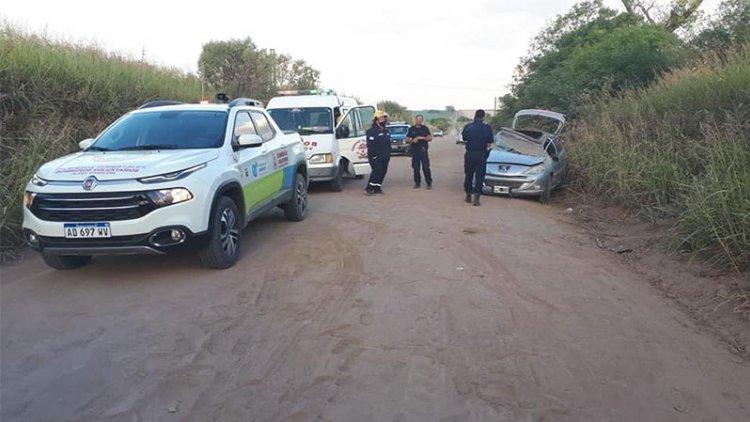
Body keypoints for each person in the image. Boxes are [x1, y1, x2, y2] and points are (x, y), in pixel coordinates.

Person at [461, 109, 494, 206]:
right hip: (481, 155)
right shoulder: (487, 128)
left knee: (468, 176)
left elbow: (464, 138)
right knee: (479, 177)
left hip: (470, 154)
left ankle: (468, 196)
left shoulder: (468, 127)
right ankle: (476, 199)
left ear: (475, 116)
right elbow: (489, 142)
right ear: (483, 117)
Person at [365, 110, 392, 195]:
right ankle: (369, 189)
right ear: (377, 120)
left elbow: (388, 143)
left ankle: (377, 188)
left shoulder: (386, 131)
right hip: (376, 156)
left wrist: (389, 153)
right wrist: (374, 156)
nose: (384, 120)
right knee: (377, 171)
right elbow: (370, 145)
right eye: (382, 118)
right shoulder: (371, 131)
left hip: (385, 156)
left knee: (383, 171)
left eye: (384, 118)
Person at [406, 114, 433, 189]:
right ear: (415, 120)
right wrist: (412, 140)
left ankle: (429, 183)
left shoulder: (425, 128)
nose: (419, 120)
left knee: (426, 167)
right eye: (418, 119)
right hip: (415, 151)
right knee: (416, 168)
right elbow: (407, 139)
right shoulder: (411, 129)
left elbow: (430, 138)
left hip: (423, 150)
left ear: (422, 120)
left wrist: (421, 138)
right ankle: (417, 183)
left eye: (420, 119)